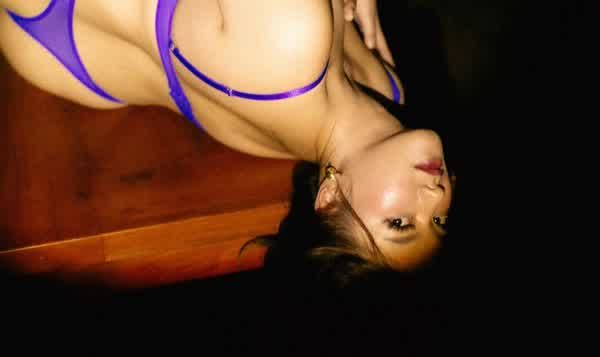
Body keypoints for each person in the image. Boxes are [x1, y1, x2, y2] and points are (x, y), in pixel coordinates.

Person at [0, 0, 455, 283]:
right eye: (438, 221)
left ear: (330, 198)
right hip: (75, 64)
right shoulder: (384, 93)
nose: (433, 198)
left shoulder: (292, 42)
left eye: (400, 223)